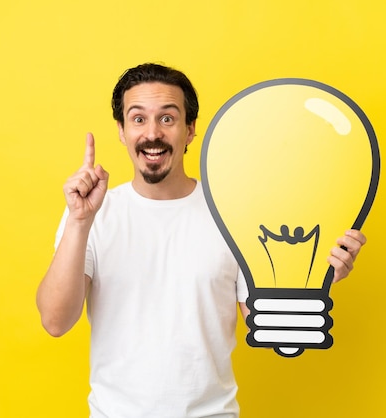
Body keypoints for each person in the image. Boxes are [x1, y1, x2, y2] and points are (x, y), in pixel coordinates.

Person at [36, 63, 367, 418]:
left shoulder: (235, 215)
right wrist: (79, 220)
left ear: (190, 129)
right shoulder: (90, 214)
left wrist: (314, 279)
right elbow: (56, 321)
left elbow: (264, 322)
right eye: (138, 119)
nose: (152, 134)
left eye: (168, 119)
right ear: (121, 130)